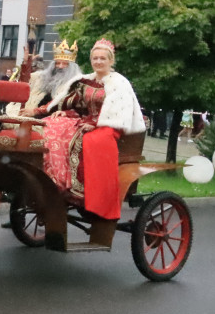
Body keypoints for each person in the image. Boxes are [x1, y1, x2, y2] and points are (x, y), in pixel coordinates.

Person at [37, 38, 145, 220]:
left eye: (103, 58)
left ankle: (95, 199)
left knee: (92, 141)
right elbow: (74, 103)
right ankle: (58, 182)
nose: (98, 62)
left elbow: (120, 112)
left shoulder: (119, 83)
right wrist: (64, 112)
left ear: (111, 61)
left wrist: (95, 124)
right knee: (52, 127)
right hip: (85, 121)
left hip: (109, 126)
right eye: (95, 58)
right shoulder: (85, 80)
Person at [6, 40, 82, 116]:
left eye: (65, 64)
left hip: (54, 117)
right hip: (30, 114)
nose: (60, 66)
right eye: (57, 63)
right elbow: (24, 82)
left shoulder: (77, 84)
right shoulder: (41, 77)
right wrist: (27, 62)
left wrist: (35, 111)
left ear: (72, 67)